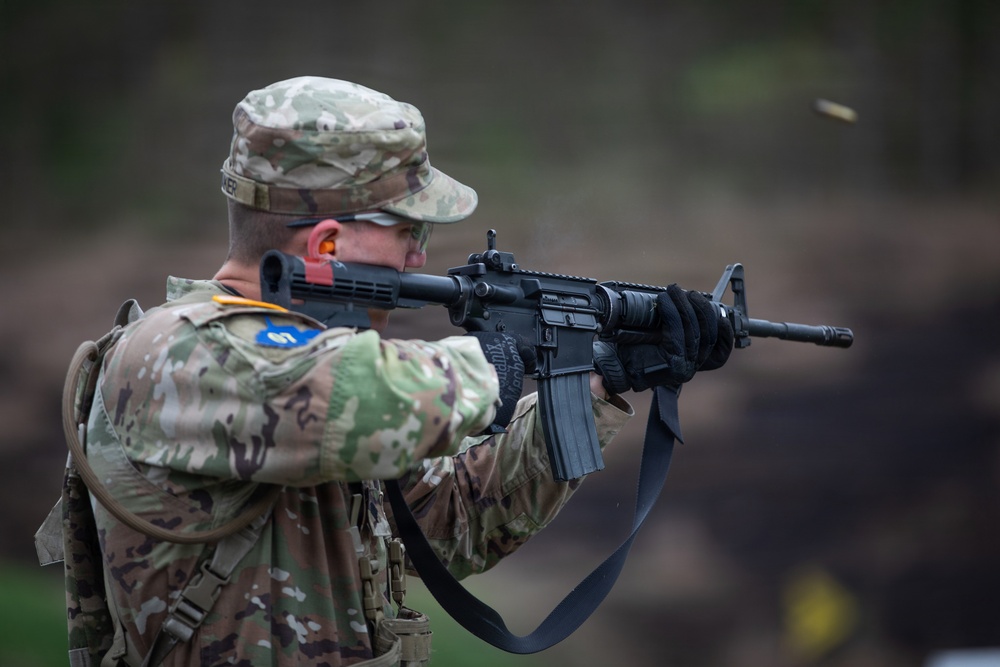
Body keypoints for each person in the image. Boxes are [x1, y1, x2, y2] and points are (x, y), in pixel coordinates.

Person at [39, 76, 733, 667]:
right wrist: (502, 362)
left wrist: (598, 381)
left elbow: (456, 520)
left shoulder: (315, 377)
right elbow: (349, 394)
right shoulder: (176, 352)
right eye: (410, 232)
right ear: (330, 241)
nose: (416, 260)